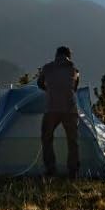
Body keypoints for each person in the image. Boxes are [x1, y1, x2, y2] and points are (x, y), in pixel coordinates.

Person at [37, 46, 80, 178]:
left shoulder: (47, 68)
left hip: (51, 109)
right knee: (72, 141)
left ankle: (51, 170)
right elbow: (75, 88)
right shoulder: (74, 70)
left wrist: (50, 91)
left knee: (47, 138)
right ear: (69, 56)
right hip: (70, 109)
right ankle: (73, 172)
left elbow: (40, 84)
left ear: (56, 55)